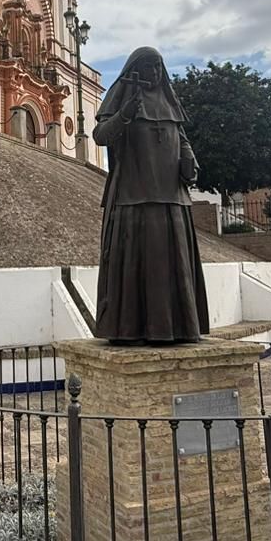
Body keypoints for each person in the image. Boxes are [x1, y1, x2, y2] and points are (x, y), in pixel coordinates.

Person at [91, 47, 209, 343]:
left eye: (159, 67)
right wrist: (125, 114)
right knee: (136, 267)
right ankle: (131, 329)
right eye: (149, 67)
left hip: (171, 196)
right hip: (134, 194)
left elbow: (181, 137)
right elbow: (101, 135)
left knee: (175, 266)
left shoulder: (169, 101)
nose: (155, 73)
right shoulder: (122, 96)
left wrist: (189, 158)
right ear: (136, 69)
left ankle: (179, 328)